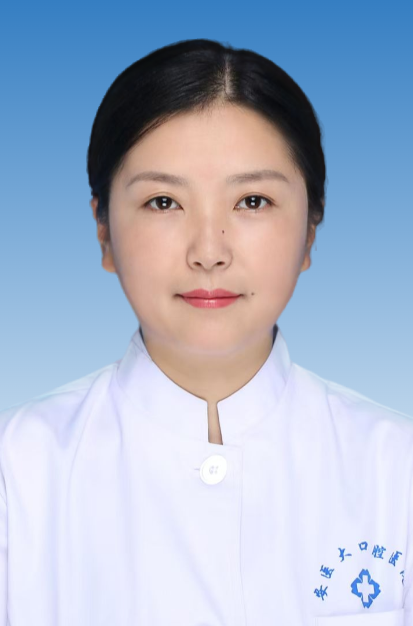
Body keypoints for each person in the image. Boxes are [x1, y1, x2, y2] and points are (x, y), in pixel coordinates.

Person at [0, 38, 412, 626]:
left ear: (310, 232)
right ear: (103, 231)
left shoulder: (396, 470)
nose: (209, 252)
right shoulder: (16, 472)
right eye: (164, 202)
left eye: (253, 200)